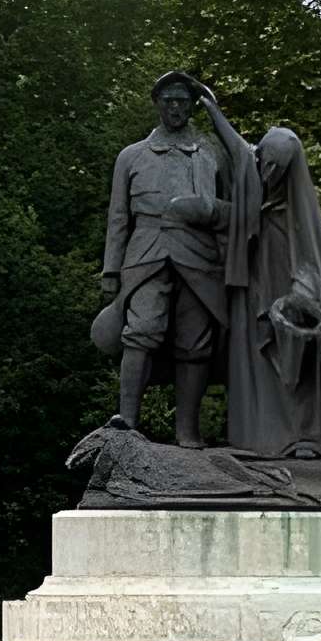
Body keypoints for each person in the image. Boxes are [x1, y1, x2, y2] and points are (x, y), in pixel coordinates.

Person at [100, 71, 252, 451]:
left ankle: (187, 431)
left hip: (199, 255)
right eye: (167, 100)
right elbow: (118, 216)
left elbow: (239, 208)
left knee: (195, 341)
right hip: (145, 252)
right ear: (156, 103)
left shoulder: (212, 153)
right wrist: (111, 270)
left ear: (192, 106)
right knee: (140, 330)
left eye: (182, 101)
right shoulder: (131, 156)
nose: (174, 108)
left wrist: (206, 209)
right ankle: (127, 422)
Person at [229, 125, 321, 459]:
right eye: (266, 166)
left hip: (291, 313)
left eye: (276, 169)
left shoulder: (298, 214)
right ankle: (263, 440)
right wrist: (212, 110)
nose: (269, 175)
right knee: (262, 369)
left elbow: (310, 262)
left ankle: (306, 437)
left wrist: (300, 297)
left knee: (299, 373)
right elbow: (238, 151)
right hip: (258, 302)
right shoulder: (256, 198)